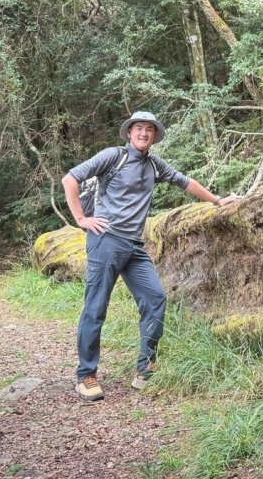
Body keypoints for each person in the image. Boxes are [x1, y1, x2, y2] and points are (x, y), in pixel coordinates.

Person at [62, 110, 238, 401]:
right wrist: (81, 219)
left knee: (156, 298)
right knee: (96, 307)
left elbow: (185, 182)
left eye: (149, 130)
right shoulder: (113, 156)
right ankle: (86, 376)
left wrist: (218, 201)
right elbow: (71, 179)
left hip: (134, 246)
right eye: (139, 128)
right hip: (105, 240)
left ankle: (145, 368)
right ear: (130, 132)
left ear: (154, 136)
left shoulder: (155, 165)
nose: (144, 133)